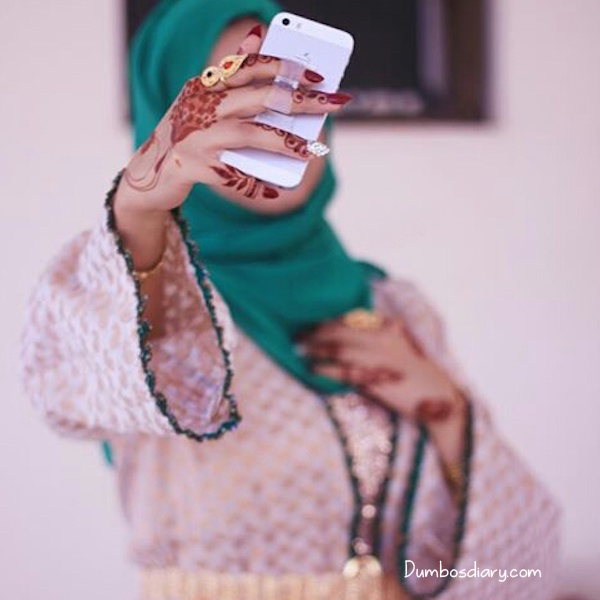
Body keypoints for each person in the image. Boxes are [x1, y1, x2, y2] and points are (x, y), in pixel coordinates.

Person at [21, 0, 561, 598]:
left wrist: (449, 414)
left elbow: (519, 568)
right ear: (168, 114)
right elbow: (68, 385)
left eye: (298, 95)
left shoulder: (394, 312)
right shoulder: (151, 304)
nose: (270, 122)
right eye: (235, 95)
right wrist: (140, 202)